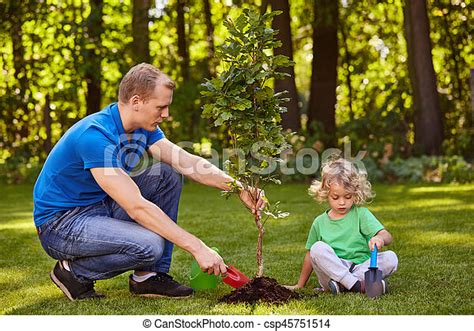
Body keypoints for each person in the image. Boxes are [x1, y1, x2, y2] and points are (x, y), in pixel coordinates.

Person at [33, 63, 265, 301]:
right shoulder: (94, 135)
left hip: (98, 208)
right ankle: (73, 273)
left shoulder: (141, 128)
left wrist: (239, 188)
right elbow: (136, 207)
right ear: (136, 102)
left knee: (167, 174)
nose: (166, 114)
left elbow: (186, 161)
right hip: (61, 224)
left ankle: (149, 276)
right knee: (150, 245)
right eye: (161, 107)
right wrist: (198, 247)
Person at [285, 158, 398, 295]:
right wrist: (300, 284)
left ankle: (345, 285)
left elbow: (387, 236)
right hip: (332, 275)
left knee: (391, 257)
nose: (342, 202)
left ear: (355, 193)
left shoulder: (361, 214)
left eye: (348, 196)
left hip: (359, 268)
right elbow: (311, 255)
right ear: (326, 194)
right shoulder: (319, 222)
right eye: (336, 197)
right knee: (317, 248)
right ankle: (358, 286)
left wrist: (379, 238)